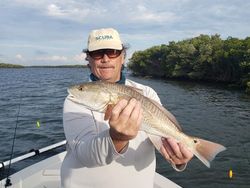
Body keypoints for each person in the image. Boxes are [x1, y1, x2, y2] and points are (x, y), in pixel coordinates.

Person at [61, 28, 193, 188]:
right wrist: (117, 137)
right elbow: (88, 156)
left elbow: (162, 140)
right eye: (97, 53)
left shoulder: (147, 92)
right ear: (88, 59)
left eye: (112, 52)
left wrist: (177, 157)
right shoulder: (75, 100)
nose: (105, 59)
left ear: (123, 57)